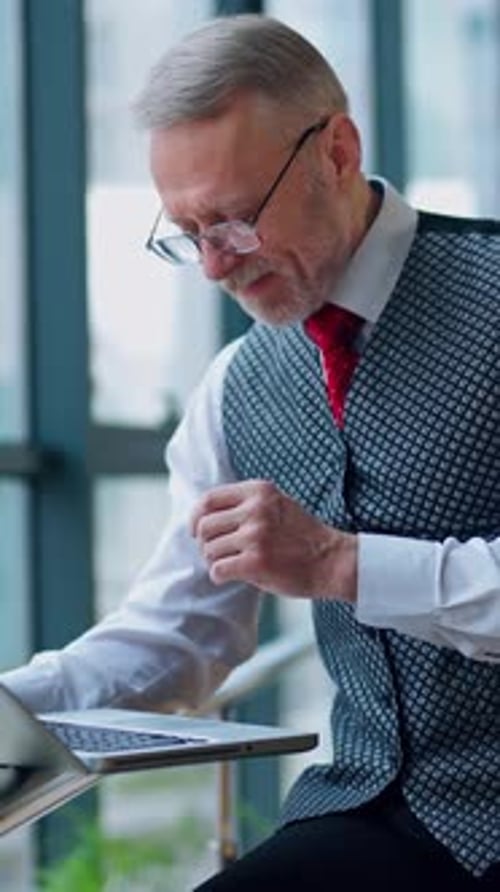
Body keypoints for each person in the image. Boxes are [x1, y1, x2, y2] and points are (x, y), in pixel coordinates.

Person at [2, 13, 499, 891]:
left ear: (336, 152)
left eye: (233, 223)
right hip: (371, 818)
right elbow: (179, 632)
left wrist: (344, 563)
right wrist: (10, 707)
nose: (214, 268)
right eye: (188, 235)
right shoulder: (235, 387)